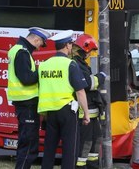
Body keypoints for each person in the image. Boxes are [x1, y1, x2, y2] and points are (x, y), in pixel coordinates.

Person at [38, 30, 90, 169]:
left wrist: (42, 116)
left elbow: (42, 90)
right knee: (69, 149)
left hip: (50, 113)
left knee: (49, 149)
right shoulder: (70, 64)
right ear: (67, 46)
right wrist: (86, 114)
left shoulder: (44, 65)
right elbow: (80, 91)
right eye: (71, 45)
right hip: (67, 111)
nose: (71, 47)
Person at [7, 27, 50, 169]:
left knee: (25, 142)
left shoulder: (18, 50)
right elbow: (26, 78)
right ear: (36, 39)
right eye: (40, 44)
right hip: (27, 104)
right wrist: (42, 71)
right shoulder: (22, 52)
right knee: (29, 144)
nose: (39, 48)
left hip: (24, 104)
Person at [73, 34, 106, 169]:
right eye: (91, 51)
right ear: (85, 49)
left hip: (92, 111)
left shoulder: (81, 64)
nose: (91, 54)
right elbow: (88, 84)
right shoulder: (76, 64)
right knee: (85, 142)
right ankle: (80, 166)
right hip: (83, 112)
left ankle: (92, 165)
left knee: (95, 140)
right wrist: (101, 77)